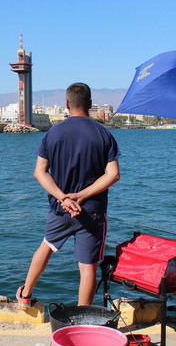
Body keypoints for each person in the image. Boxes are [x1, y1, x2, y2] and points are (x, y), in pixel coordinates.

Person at [16, 82, 120, 308]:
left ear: (66, 104)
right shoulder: (103, 133)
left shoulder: (53, 132)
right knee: (87, 267)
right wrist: (81, 196)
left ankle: (25, 296)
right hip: (92, 211)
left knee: (46, 246)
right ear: (90, 105)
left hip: (60, 209)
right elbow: (113, 175)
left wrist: (63, 197)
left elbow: (39, 173)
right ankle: (83, 320)